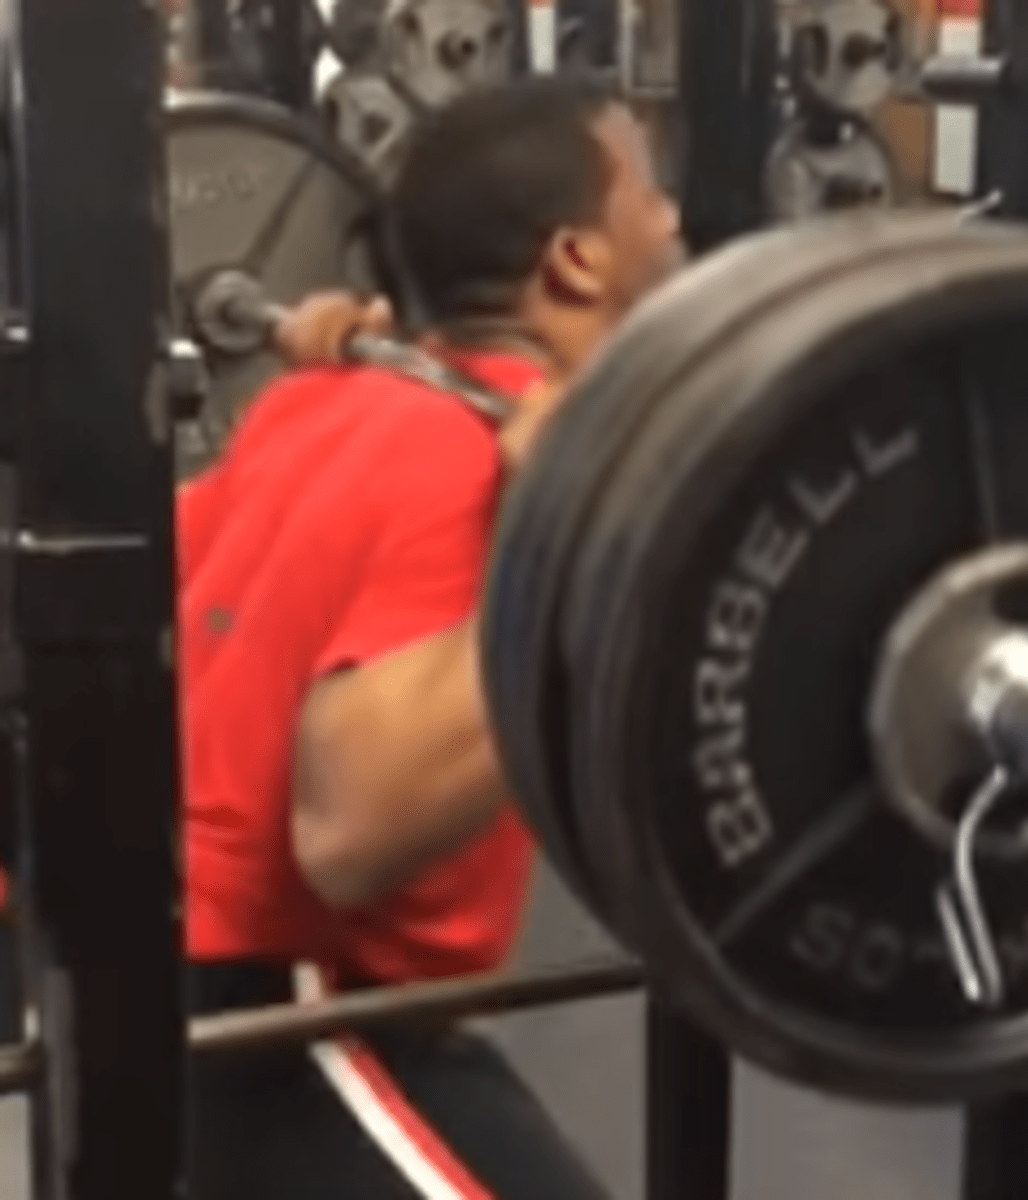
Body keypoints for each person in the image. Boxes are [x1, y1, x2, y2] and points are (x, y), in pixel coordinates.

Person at [181, 72, 682, 1200]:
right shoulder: (476, 460)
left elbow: (165, 596)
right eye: (649, 196)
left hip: (160, 973)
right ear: (577, 259)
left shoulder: (317, 401)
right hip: (288, 1009)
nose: (675, 220)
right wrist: (550, 541)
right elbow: (349, 829)